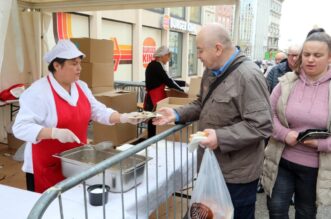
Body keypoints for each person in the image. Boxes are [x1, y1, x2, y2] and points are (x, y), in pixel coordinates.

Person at [153, 23, 273, 219]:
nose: (197, 55)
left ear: (218, 48)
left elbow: (262, 125)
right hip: (210, 167)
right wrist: (175, 114)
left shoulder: (248, 76)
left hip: (236, 176)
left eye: (200, 50)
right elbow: (202, 103)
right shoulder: (211, 70)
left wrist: (221, 137)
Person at [13, 40, 144, 193]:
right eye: (74, 64)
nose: (79, 68)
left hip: (75, 163)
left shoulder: (81, 86)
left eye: (80, 63)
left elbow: (98, 110)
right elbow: (20, 128)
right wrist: (54, 133)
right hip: (46, 166)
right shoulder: (38, 91)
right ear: (56, 65)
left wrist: (123, 117)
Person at [261, 32, 331, 219]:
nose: (310, 59)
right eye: (306, 54)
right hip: (282, 161)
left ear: (330, 57)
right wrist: (284, 134)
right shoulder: (287, 82)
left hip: (315, 168)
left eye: (317, 55)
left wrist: (321, 144)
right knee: (276, 210)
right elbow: (269, 114)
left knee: (306, 213)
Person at [144, 45, 183, 138]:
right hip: (153, 98)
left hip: (155, 97)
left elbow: (169, 79)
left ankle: (152, 141)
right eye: (168, 56)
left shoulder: (156, 65)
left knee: (154, 120)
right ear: (162, 55)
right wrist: (182, 92)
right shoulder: (156, 66)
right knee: (154, 121)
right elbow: (168, 81)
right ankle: (151, 143)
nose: (169, 59)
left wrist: (184, 83)